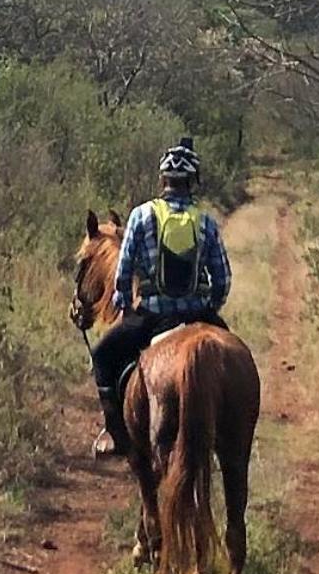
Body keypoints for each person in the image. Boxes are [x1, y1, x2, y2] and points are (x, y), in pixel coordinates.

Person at [91, 137, 232, 458]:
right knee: (236, 359)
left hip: (151, 317)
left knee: (102, 356)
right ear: (192, 183)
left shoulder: (141, 216)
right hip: (198, 315)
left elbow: (122, 274)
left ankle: (115, 434)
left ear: (163, 181)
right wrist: (210, 308)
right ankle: (229, 434)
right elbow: (222, 279)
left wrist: (126, 306)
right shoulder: (206, 221)